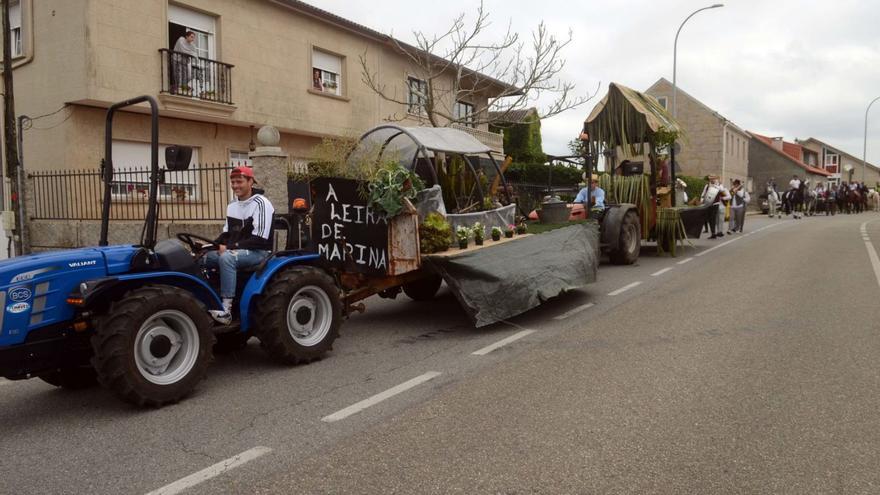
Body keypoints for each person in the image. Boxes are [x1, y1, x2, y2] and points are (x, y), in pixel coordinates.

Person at [203, 166, 275, 324]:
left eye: (239, 181)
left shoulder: (261, 204)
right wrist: (208, 246)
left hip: (259, 252)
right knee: (201, 259)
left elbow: (260, 240)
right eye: (232, 182)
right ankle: (207, 300)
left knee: (227, 258)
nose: (235, 185)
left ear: (250, 181)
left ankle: (226, 310)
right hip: (238, 251)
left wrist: (229, 247)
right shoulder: (232, 205)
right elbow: (226, 234)